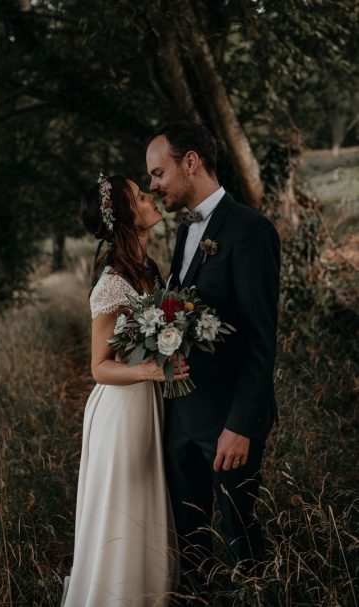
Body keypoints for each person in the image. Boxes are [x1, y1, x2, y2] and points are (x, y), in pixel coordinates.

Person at [146, 123, 280, 588]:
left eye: (158, 173)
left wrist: (241, 425)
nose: (152, 185)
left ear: (191, 162)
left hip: (229, 423)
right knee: (191, 542)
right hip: (181, 416)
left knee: (241, 537)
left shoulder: (250, 230)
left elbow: (262, 341)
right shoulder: (185, 233)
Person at [61, 175, 186, 607]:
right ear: (125, 217)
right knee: (127, 510)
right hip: (121, 412)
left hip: (146, 405)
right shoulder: (112, 282)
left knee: (149, 505)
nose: (150, 197)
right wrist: (152, 370)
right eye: (138, 195)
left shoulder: (148, 270)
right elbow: (99, 367)